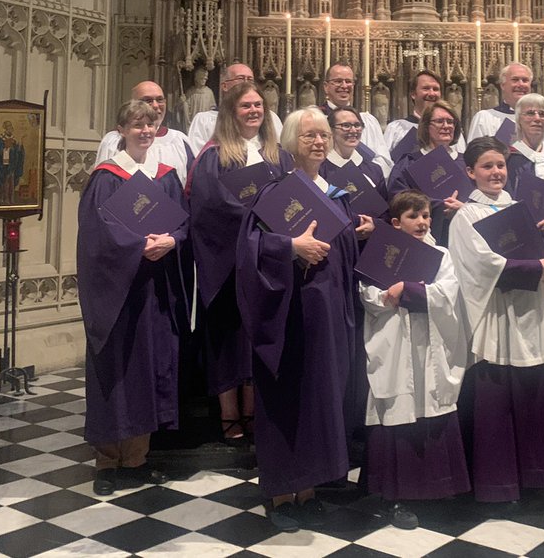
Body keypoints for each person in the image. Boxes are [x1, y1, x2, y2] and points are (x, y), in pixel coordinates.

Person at [236, 107, 368, 531]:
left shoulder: (338, 195)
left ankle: (309, 488)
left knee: (319, 398)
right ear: (291, 142)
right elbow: (249, 251)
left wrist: (354, 235)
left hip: (328, 311)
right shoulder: (274, 194)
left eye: (324, 135)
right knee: (286, 394)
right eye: (309, 135)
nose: (318, 142)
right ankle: (280, 491)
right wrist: (290, 247)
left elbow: (345, 259)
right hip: (288, 313)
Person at [78, 100, 188, 495]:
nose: (145, 130)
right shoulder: (106, 178)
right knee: (115, 369)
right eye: (137, 124)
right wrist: (139, 245)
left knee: (146, 370)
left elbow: (183, 221)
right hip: (117, 293)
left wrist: (172, 240)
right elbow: (95, 234)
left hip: (152, 290)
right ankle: (108, 462)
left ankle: (137, 459)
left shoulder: (166, 176)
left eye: (151, 124)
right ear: (121, 130)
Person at [449, 137, 544, 502]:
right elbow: (480, 265)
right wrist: (535, 267)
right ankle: (497, 486)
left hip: (529, 312)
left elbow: (533, 253)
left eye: (500, 165)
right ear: (470, 172)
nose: (496, 172)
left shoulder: (520, 209)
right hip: (494, 317)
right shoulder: (465, 216)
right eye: (487, 166)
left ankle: (539, 480)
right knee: (495, 405)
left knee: (535, 399)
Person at [360, 190, 471, 527]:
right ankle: (396, 495)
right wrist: (386, 294)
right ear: (395, 223)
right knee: (399, 410)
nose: (422, 222)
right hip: (395, 345)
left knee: (431, 408)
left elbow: (448, 290)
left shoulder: (440, 254)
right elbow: (368, 294)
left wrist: (408, 290)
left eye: (425, 216)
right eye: (413, 216)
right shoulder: (381, 253)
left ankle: (439, 488)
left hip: (431, 344)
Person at [189, 82, 291, 445]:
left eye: (258, 105)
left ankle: (254, 410)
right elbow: (208, 209)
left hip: (269, 261)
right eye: (246, 106)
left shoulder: (277, 155)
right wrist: (258, 219)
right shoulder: (215, 158)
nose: (254, 111)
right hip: (229, 264)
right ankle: (230, 413)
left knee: (257, 336)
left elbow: (291, 199)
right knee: (230, 339)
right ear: (231, 113)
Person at [387, 100, 466, 247]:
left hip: (463, 236)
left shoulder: (466, 162)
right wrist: (440, 205)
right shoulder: (409, 163)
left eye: (451, 121)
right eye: (439, 121)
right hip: (422, 237)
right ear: (426, 126)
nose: (446, 126)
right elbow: (397, 199)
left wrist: (464, 207)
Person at [97, 80, 193, 185]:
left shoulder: (179, 141)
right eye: (148, 100)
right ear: (133, 103)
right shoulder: (112, 141)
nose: (156, 105)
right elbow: (102, 183)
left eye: (160, 100)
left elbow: (191, 188)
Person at [187, 63, 283, 154]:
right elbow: (198, 158)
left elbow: (281, 148)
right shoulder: (204, 120)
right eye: (240, 79)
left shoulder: (270, 117)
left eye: (250, 80)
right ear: (224, 86)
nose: (246, 84)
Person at [468, 62, 544, 147]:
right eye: (515, 80)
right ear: (503, 85)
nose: (520, 84)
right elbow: (474, 157)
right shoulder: (484, 118)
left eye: (525, 80)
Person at [384, 70, 466, 159]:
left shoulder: (450, 130)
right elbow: (385, 165)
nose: (431, 93)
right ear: (413, 94)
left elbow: (462, 163)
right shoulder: (396, 128)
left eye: (435, 89)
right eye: (426, 88)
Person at [318, 63, 389, 159]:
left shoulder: (368, 122)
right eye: (338, 81)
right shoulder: (316, 119)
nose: (344, 86)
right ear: (326, 87)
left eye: (348, 81)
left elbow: (383, 159)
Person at [322, 106, 391, 202]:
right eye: (346, 126)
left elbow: (386, 212)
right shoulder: (320, 170)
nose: (354, 130)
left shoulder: (374, 170)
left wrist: (372, 218)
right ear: (331, 130)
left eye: (357, 125)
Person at [0, 120, 25, 204]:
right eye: (8, 127)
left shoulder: (13, 138)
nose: (10, 129)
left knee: (11, 183)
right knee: (5, 183)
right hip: (4, 165)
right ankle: (5, 199)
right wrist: (8, 148)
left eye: (11, 127)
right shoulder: (1, 138)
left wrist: (20, 146)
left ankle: (11, 199)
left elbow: (17, 151)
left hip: (12, 165)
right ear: (5, 128)